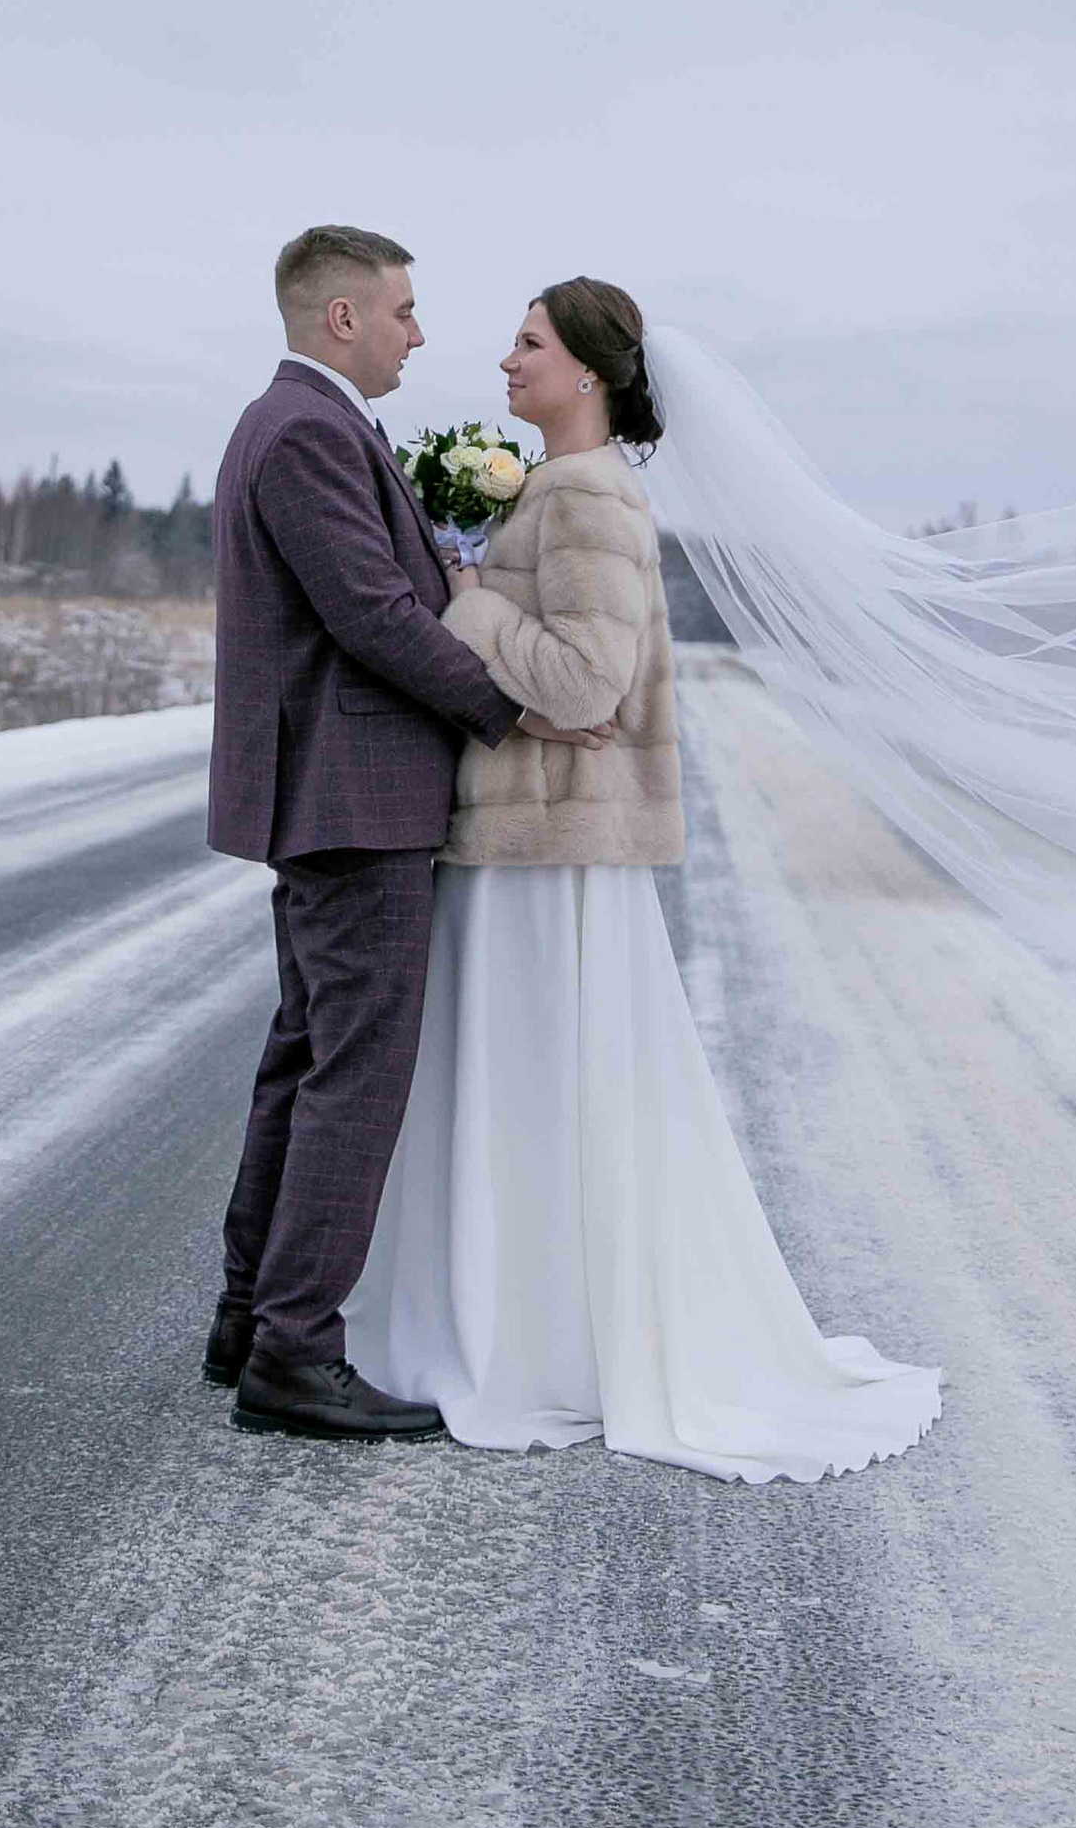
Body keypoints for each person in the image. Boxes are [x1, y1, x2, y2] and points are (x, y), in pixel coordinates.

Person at [344, 277, 945, 1484]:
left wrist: (460, 606)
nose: (505, 361)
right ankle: (501, 1318)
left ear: (587, 375)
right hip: (528, 846)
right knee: (522, 1095)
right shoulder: (560, 491)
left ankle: (538, 1339)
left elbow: (582, 687)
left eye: (528, 344)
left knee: (537, 1095)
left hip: (551, 857)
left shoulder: (588, 500)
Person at [204, 225, 608, 1443]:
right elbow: (373, 615)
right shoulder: (311, 432)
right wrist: (513, 702)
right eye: (405, 311)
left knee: (305, 1060)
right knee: (354, 1082)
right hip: (353, 795)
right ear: (342, 319)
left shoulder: (301, 427)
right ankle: (293, 1351)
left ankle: (248, 1320)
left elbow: (388, 590)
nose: (421, 335)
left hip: (331, 793)